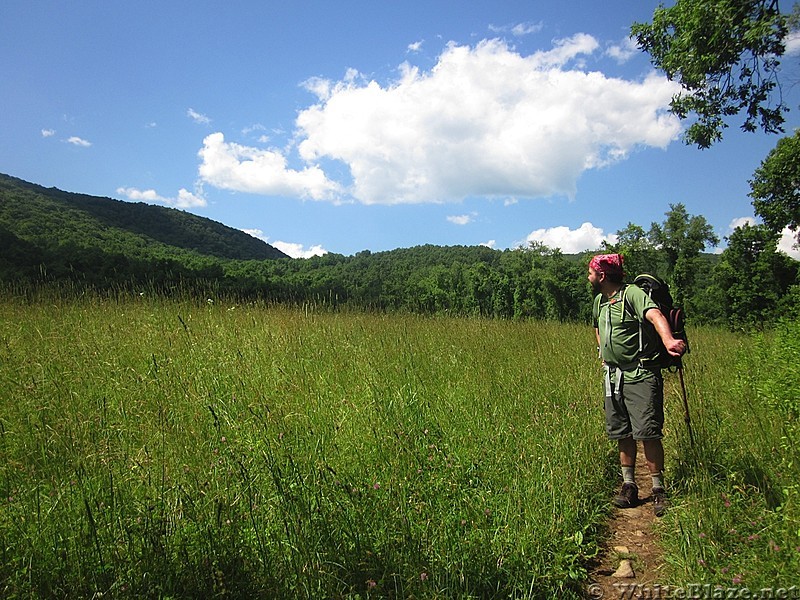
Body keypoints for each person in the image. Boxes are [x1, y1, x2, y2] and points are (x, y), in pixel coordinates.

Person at [588, 253, 686, 517]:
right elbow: (598, 327)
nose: (589, 277)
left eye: (591, 273)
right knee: (622, 432)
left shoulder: (631, 294)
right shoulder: (600, 301)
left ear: (602, 275)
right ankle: (629, 484)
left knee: (648, 432)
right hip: (613, 376)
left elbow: (654, 315)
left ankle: (657, 489)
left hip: (640, 375)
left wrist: (668, 341)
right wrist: (605, 352)